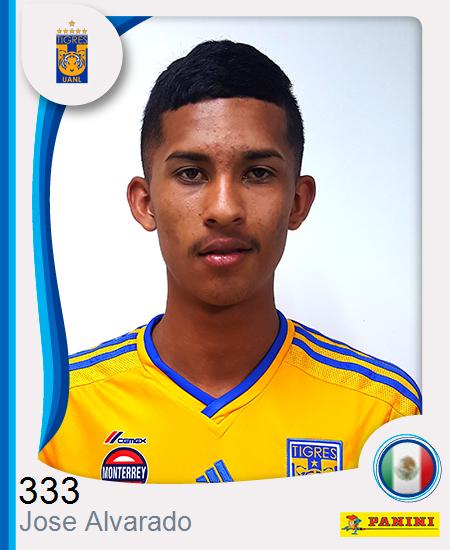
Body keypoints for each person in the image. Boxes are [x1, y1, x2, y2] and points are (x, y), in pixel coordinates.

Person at [39, 40, 421, 483]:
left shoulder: (382, 416)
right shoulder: (58, 414)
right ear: (145, 203)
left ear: (298, 202)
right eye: (191, 173)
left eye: (257, 173)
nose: (224, 209)